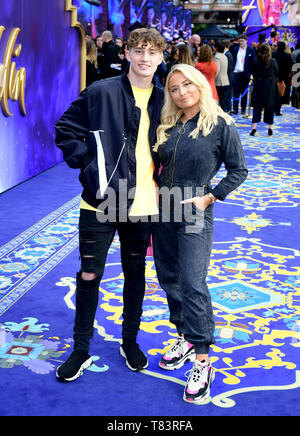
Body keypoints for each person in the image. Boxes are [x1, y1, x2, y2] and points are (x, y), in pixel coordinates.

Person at [55, 28, 166, 382]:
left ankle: (129, 341)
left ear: (162, 58)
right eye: (139, 50)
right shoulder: (101, 91)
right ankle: (80, 349)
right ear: (127, 53)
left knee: (135, 274)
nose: (145, 57)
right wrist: (89, 167)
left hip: (144, 205)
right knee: (89, 274)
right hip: (99, 204)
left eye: (152, 52)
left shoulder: (167, 100)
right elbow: (66, 129)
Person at [152, 64, 248, 404]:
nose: (181, 93)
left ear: (199, 84)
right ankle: (185, 336)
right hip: (164, 209)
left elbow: (239, 170)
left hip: (195, 210)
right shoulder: (168, 123)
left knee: (193, 282)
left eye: (186, 85)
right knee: (169, 278)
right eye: (174, 89)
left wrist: (211, 197)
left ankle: (202, 360)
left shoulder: (221, 124)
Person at [250, 43, 279, 136]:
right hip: (270, 86)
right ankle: (270, 128)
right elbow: (276, 73)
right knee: (270, 107)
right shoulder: (273, 61)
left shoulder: (256, 61)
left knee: (257, 107)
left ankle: (254, 128)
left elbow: (253, 73)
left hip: (259, 85)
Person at [231, 35, 256, 115]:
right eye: (240, 41)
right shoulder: (235, 50)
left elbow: (253, 63)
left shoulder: (251, 50)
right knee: (236, 92)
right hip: (236, 73)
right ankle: (235, 109)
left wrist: (252, 74)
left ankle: (243, 109)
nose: (241, 42)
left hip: (246, 74)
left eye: (242, 41)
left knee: (244, 93)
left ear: (246, 41)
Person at [272, 41, 293, 115]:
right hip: (284, 78)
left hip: (274, 77)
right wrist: (287, 75)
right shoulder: (287, 56)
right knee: (281, 94)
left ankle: (273, 109)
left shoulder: (273, 54)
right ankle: (278, 110)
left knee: (273, 93)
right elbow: (291, 66)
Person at [213, 40, 230, 112]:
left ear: (216, 48)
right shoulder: (224, 56)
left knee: (221, 102)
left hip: (219, 82)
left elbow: (216, 71)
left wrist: (212, 79)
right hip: (225, 81)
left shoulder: (217, 57)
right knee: (224, 101)